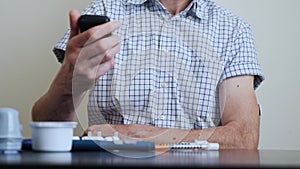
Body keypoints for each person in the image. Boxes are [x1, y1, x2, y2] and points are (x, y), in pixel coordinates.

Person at [32, 0, 264, 149]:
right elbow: (45, 126)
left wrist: (142, 135)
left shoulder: (233, 30)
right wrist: (70, 81)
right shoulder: (103, 12)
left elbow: (243, 138)